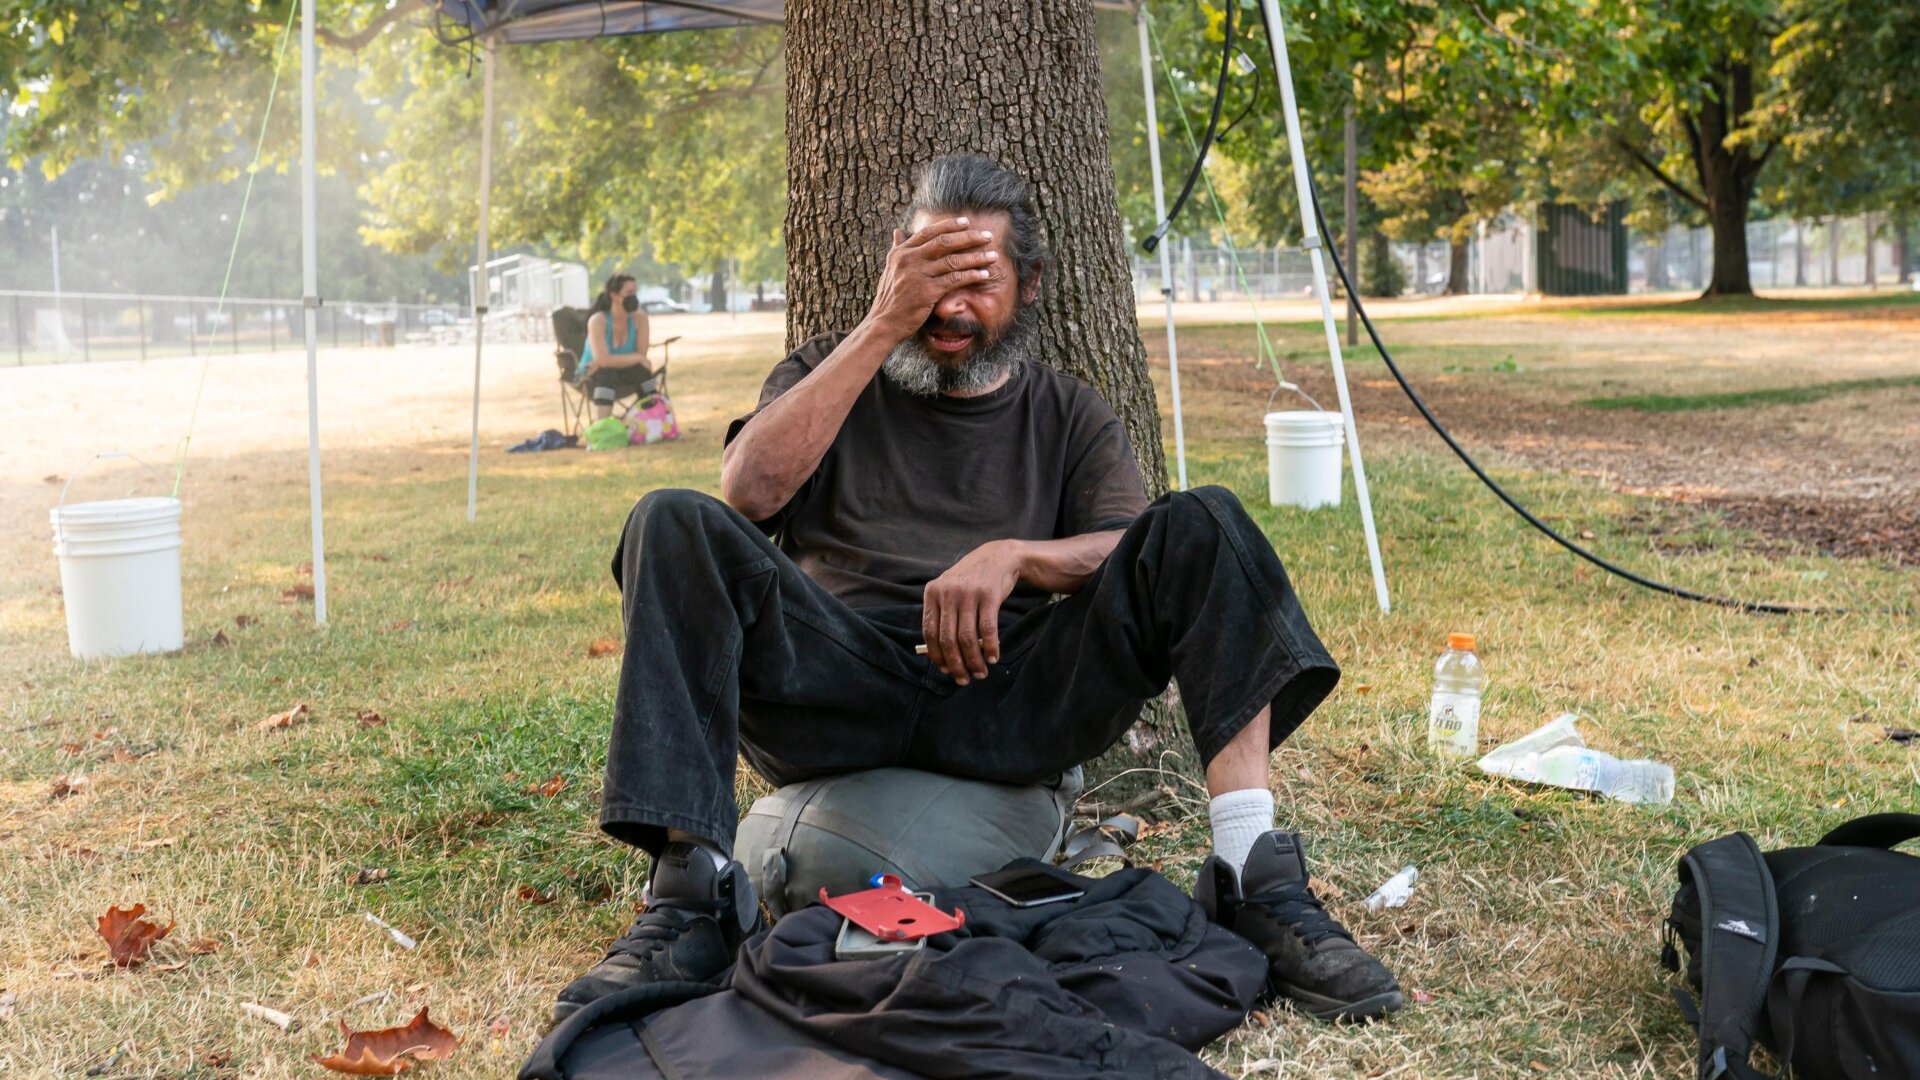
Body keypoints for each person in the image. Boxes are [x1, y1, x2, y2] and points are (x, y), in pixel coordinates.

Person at [555, 154, 1403, 1025]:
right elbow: (746, 496)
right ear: (894, 269)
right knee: (671, 519)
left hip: (1007, 698)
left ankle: (1251, 874)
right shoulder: (824, 371)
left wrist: (1018, 558)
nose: (949, 309)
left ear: (1028, 285)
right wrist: (882, 325)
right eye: (928, 278)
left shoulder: (1070, 412)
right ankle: (688, 898)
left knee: (1205, 520)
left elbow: (1127, 544)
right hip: (835, 688)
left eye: (978, 281)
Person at [579, 274, 655, 420]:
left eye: (635, 293)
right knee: (606, 373)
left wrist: (637, 359)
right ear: (614, 295)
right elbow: (603, 360)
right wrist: (636, 358)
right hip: (592, 374)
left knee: (643, 372)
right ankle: (603, 427)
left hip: (624, 372)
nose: (634, 297)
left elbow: (642, 354)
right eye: (629, 293)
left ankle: (653, 421)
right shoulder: (598, 321)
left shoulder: (640, 319)